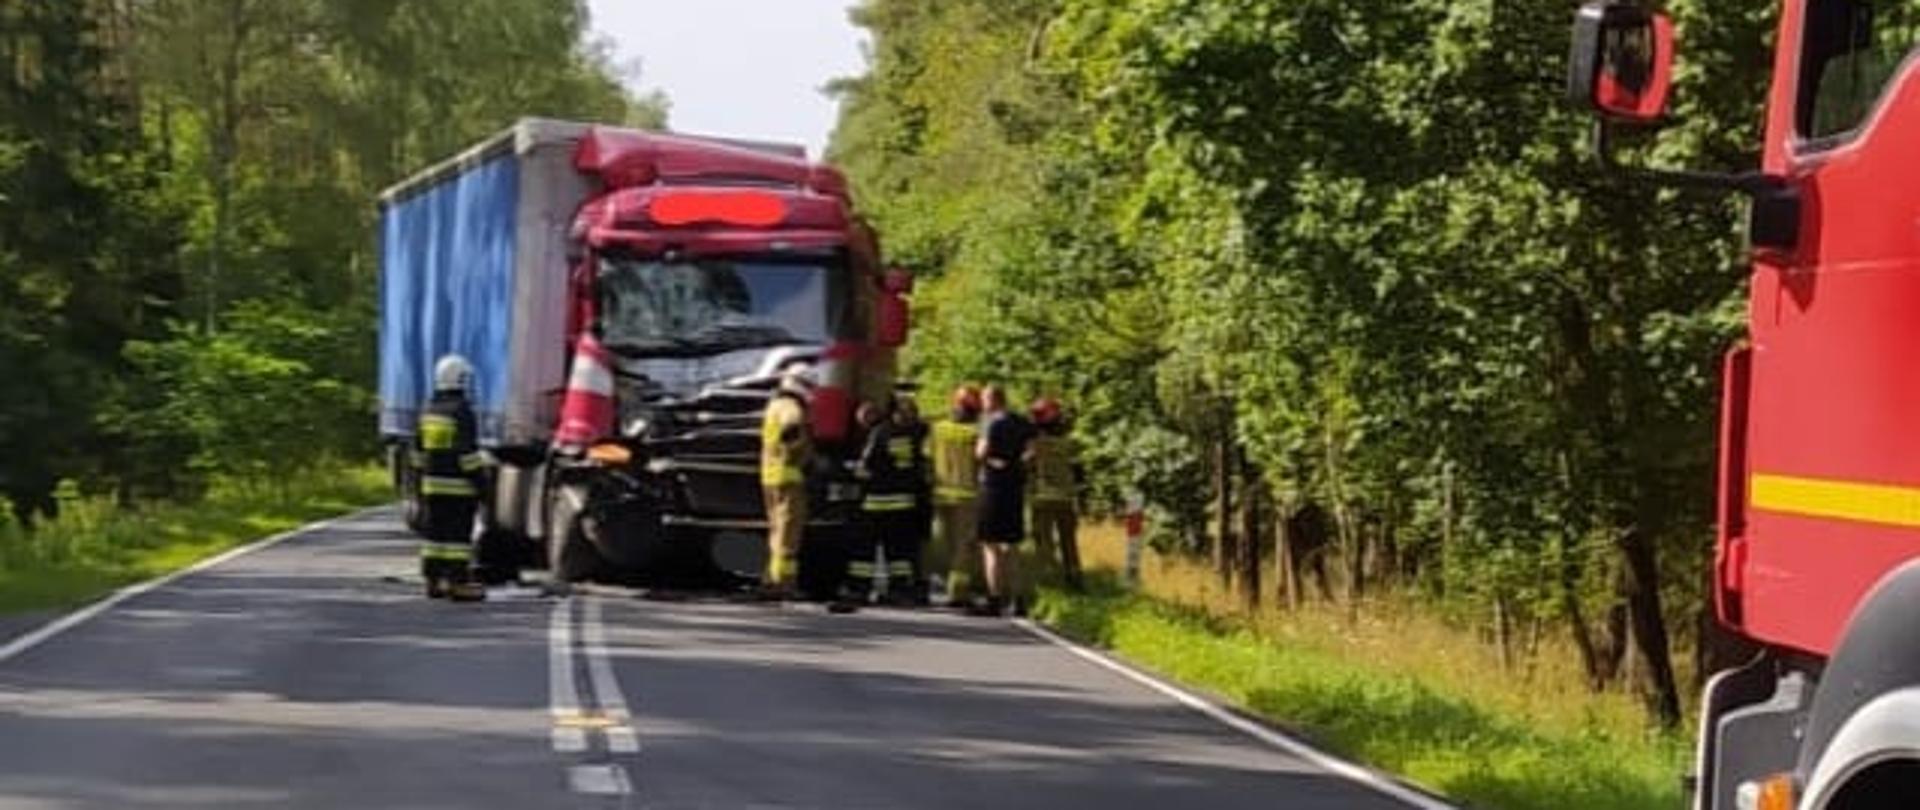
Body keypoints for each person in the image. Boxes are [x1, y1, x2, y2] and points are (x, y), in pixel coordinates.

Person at [415, 355, 489, 602]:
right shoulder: (462, 411)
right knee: (457, 538)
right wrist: (481, 484)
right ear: (459, 380)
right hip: (459, 488)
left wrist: (421, 480)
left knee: (434, 536)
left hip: (431, 486)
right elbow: (467, 455)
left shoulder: (428, 410)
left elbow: (417, 453)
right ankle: (458, 582)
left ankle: (433, 581)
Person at [974, 385, 1036, 616]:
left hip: (992, 486)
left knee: (990, 546)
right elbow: (1031, 453)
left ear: (992, 400)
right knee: (1012, 545)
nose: (982, 404)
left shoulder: (990, 422)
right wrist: (1016, 466)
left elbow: (981, 452)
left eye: (984, 399)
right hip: (1015, 487)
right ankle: (1019, 600)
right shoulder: (1022, 422)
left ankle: (994, 599)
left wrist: (993, 462)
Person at [760, 367, 815, 599]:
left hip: (770, 475)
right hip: (788, 475)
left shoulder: (773, 405)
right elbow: (791, 426)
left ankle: (771, 579)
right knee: (788, 533)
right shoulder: (791, 407)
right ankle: (784, 583)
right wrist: (797, 450)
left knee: (776, 531)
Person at [931, 386, 983, 605]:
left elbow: (927, 455)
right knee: (964, 547)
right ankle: (959, 591)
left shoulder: (938, 429)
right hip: (966, 496)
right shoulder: (976, 433)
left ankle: (953, 585)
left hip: (941, 495)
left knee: (949, 544)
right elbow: (982, 460)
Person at [1028, 397, 1084, 591]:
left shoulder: (1034, 444)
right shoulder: (1070, 444)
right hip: (1066, 498)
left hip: (1042, 498)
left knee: (1043, 541)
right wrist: (1081, 498)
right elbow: (1079, 473)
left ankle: (1048, 581)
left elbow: (1026, 467)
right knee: (1069, 541)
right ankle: (1074, 578)